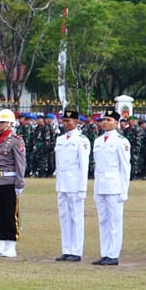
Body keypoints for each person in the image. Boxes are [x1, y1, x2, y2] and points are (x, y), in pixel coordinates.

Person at [90, 109, 131, 265]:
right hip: (101, 185)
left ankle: (113, 254)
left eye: (109, 120)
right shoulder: (98, 141)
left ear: (116, 123)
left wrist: (124, 190)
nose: (105, 122)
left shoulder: (121, 141)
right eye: (104, 120)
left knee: (114, 220)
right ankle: (105, 252)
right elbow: (97, 167)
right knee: (103, 221)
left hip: (114, 186)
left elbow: (125, 168)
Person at [0, 109, 27, 258]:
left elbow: (21, 164)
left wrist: (20, 184)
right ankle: (2, 243)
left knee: (10, 214)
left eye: (1, 122)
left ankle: (11, 245)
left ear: (10, 123)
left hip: (10, 181)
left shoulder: (16, 140)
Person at [52, 110, 90, 262]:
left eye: (69, 121)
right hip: (62, 183)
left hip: (75, 183)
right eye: (64, 120)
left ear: (76, 122)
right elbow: (58, 163)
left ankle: (76, 250)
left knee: (76, 217)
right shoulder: (60, 139)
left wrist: (83, 188)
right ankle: (66, 249)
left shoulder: (82, 140)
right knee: (64, 217)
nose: (66, 123)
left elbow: (84, 165)